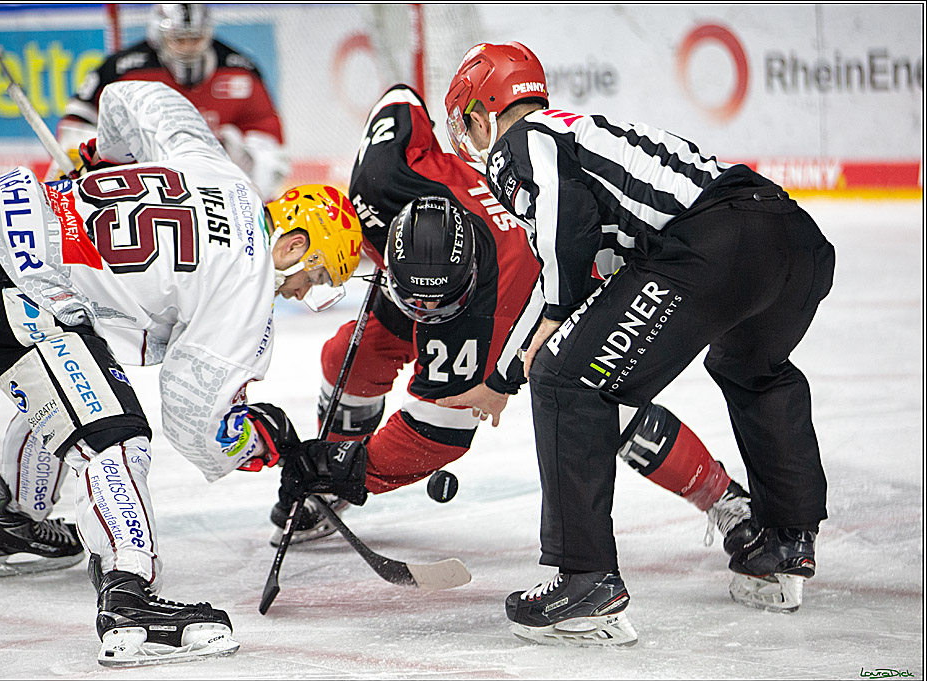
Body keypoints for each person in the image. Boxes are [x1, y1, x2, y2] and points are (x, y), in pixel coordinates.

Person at [0, 80, 365, 666]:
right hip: (12, 280)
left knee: (73, 387)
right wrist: (266, 439)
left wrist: (103, 157)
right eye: (314, 278)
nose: (299, 293)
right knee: (114, 434)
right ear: (291, 245)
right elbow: (194, 420)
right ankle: (129, 601)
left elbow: (134, 98)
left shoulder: (216, 167)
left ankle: (17, 523)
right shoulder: (249, 283)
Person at [442, 42, 834, 643]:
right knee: (753, 369)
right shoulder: (583, 137)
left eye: (466, 120)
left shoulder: (524, 140)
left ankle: (584, 582)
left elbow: (565, 236)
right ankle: (784, 543)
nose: (467, 135)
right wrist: (501, 380)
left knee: (564, 379)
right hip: (793, 240)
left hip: (716, 244)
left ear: (484, 108)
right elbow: (592, 270)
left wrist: (548, 327)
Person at [273, 84, 753, 565]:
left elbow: (436, 436)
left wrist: (353, 470)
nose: (425, 312)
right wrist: (333, 465)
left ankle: (724, 498)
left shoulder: (488, 313)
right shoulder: (383, 179)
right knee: (350, 355)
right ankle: (329, 477)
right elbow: (401, 97)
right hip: (439, 269)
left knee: (600, 404)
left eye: (435, 306)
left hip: (545, 285)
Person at [52, 3, 289, 200]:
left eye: (195, 38)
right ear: (159, 35)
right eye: (179, 39)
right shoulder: (121, 68)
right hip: (139, 186)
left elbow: (268, 142)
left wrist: (247, 177)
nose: (188, 48)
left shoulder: (241, 70)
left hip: (219, 186)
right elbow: (76, 126)